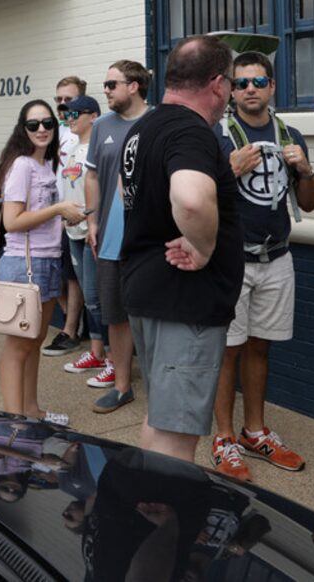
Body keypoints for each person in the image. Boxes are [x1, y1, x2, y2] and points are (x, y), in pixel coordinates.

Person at [120, 36, 243, 462]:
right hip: (184, 302)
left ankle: (144, 515)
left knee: (160, 421)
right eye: (231, 83)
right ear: (217, 84)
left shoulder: (142, 129)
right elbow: (190, 198)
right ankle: (168, 522)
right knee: (175, 438)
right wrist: (203, 247)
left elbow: (124, 194)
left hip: (147, 291)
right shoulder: (191, 131)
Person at [210, 49, 314, 479]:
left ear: (272, 86)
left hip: (277, 257)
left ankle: (254, 431)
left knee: (260, 346)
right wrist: (228, 170)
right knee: (228, 350)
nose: (250, 90)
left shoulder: (289, 135)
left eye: (259, 82)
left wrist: (306, 170)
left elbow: (308, 204)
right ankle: (224, 438)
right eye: (241, 83)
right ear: (230, 89)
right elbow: (196, 199)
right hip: (231, 261)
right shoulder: (218, 137)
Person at [0, 99, 86, 424]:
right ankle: (15, 422)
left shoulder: (47, 165)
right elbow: (12, 222)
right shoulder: (22, 165)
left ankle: (31, 412)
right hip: (23, 264)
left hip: (46, 262)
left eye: (48, 123)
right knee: (18, 348)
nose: (42, 129)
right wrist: (59, 210)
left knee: (34, 344)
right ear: (23, 129)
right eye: (34, 125)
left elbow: (39, 216)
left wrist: (66, 218)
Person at [84, 60, 151, 413]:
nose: (106, 90)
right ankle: (122, 386)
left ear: (134, 86)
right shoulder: (101, 127)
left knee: (153, 314)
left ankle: (160, 391)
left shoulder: (157, 122)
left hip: (151, 240)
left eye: (112, 84)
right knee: (116, 316)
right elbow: (92, 177)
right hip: (110, 238)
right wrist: (92, 220)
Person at [52, 96, 106, 374]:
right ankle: (96, 353)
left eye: (76, 113)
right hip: (72, 230)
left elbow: (103, 190)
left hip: (90, 233)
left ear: (93, 116)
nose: (70, 117)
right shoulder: (72, 147)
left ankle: (106, 355)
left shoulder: (98, 149)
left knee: (97, 298)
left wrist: (94, 223)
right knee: (87, 293)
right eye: (67, 113)